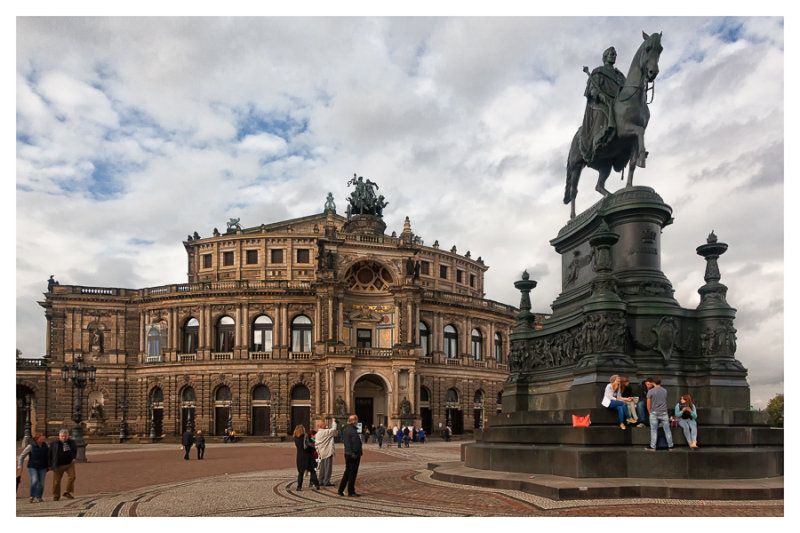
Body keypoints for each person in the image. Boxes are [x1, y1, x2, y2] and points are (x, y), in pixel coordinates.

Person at [579, 46, 627, 163]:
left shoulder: (619, 76)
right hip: (601, 102)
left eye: (615, 54)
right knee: (605, 113)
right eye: (611, 54)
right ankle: (599, 141)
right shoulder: (598, 71)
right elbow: (592, 89)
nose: (614, 56)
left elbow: (626, 90)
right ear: (605, 57)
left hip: (617, 102)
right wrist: (602, 96)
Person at [17, 433, 49, 503]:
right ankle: (32, 496)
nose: (43, 438)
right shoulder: (31, 446)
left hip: (43, 466)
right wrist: (20, 465)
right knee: (34, 480)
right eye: (41, 437)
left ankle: (39, 497)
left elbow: (48, 456)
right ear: (37, 439)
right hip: (33, 466)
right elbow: (22, 456)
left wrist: (49, 465)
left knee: (41, 483)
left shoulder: (45, 445)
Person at [337, 414, 363, 497]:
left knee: (347, 472)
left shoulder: (346, 429)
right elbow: (355, 443)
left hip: (347, 453)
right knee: (352, 473)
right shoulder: (353, 431)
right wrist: (356, 452)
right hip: (353, 454)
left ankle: (340, 489)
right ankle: (351, 491)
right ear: (355, 421)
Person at [646, 376, 674, 451]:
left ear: (653, 383)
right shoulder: (665, 390)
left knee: (654, 430)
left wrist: (650, 412)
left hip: (654, 412)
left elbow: (648, 404)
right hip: (664, 412)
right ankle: (670, 446)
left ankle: (653, 446)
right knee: (667, 430)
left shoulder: (651, 391)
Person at [49, 428, 77, 501]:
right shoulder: (54, 443)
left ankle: (67, 492)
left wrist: (74, 458)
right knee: (56, 481)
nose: (64, 438)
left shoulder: (71, 442)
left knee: (72, 477)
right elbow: (50, 454)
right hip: (58, 464)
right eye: (62, 436)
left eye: (65, 436)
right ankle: (56, 495)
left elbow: (74, 450)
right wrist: (50, 464)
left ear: (68, 436)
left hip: (69, 463)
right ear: (59, 436)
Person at [293, 425, 320, 491]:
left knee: (301, 473)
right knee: (312, 471)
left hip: (300, 456)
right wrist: (313, 448)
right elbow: (309, 445)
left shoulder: (295, 438)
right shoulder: (305, 436)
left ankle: (299, 486)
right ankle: (317, 485)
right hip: (308, 456)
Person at [314, 418, 338, 486]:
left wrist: (319, 452)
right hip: (327, 452)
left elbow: (316, 445)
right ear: (321, 426)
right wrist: (333, 422)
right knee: (328, 468)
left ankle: (321, 480)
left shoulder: (317, 434)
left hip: (321, 452)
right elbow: (334, 430)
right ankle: (326, 481)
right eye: (324, 424)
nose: (326, 425)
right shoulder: (325, 432)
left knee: (322, 467)